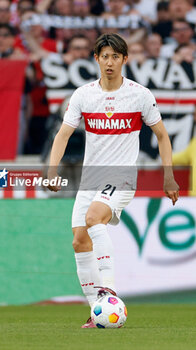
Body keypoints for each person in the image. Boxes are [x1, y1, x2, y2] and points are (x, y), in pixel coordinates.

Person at [47, 33, 179, 328]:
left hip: (121, 176)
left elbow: (161, 135)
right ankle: (98, 312)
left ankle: (108, 290)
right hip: (90, 179)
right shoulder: (83, 95)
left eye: (115, 57)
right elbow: (63, 134)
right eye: (104, 56)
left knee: (95, 219)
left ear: (124, 60)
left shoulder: (139, 95)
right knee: (79, 241)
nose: (110, 62)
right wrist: (52, 170)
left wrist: (168, 175)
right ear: (96, 59)